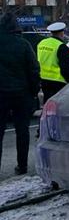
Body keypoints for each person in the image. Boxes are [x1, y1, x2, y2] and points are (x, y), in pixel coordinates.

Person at [0, 12, 40, 175]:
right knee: (22, 131)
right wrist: (33, 92)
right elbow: (33, 70)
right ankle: (22, 166)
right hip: (21, 94)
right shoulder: (23, 45)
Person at [37, 21, 69, 105]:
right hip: (58, 81)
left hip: (44, 79)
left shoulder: (41, 43)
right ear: (61, 33)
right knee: (59, 106)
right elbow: (66, 67)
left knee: (48, 103)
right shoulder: (61, 46)